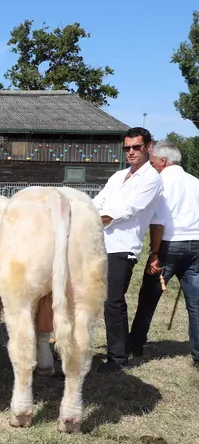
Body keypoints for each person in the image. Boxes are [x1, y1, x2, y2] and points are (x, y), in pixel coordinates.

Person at [92, 127, 164, 374]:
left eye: (136, 147)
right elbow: (99, 201)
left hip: (123, 247)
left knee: (113, 301)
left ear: (148, 147)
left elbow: (127, 209)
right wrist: (86, 213)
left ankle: (118, 358)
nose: (131, 152)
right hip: (100, 243)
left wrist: (95, 218)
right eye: (127, 148)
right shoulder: (118, 176)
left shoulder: (152, 179)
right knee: (101, 300)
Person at [129, 141, 199, 366]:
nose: (153, 167)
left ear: (163, 161)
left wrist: (155, 252)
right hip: (195, 245)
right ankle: (198, 356)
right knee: (196, 305)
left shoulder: (160, 183)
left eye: (153, 163)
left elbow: (157, 223)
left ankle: (136, 346)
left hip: (169, 245)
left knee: (148, 298)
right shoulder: (196, 182)